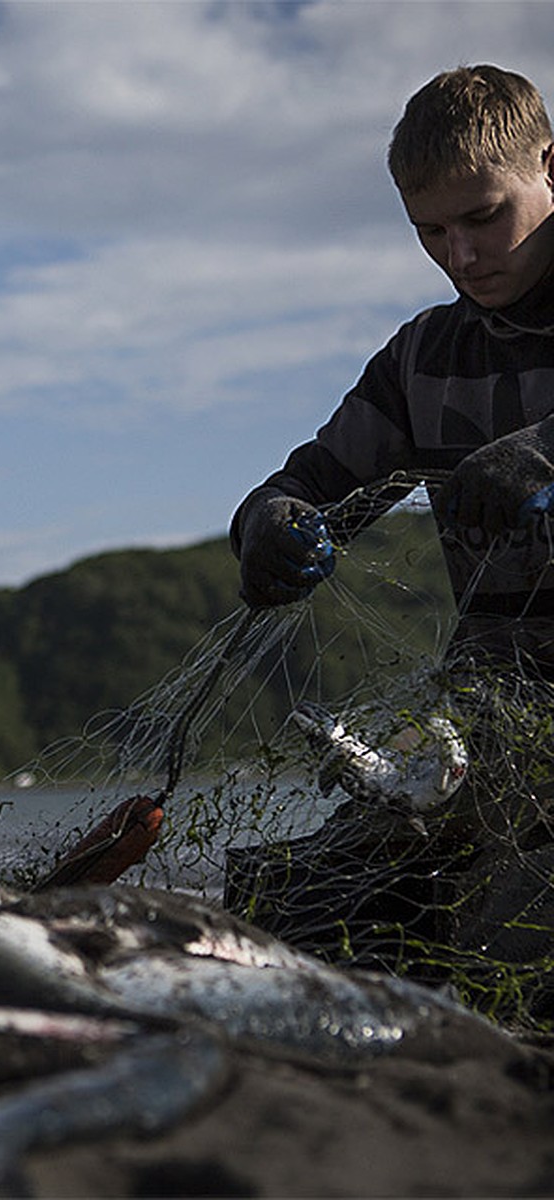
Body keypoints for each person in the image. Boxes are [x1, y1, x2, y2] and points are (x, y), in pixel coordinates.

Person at [225, 66, 554, 1000]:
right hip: (497, 718)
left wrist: (540, 451)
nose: (462, 254)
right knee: (299, 907)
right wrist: (269, 525)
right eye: (430, 232)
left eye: (484, 217)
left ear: (551, 167)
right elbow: (312, 483)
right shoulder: (424, 356)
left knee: (514, 931)